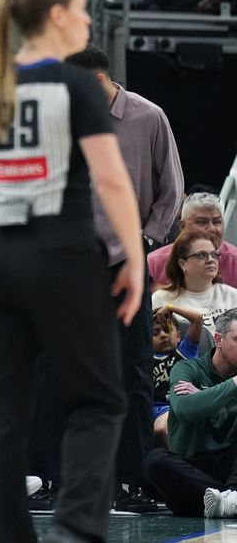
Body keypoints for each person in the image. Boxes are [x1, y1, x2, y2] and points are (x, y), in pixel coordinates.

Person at [0, 0, 144, 543]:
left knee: (4, 414)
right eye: (80, 9)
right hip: (63, 257)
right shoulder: (75, 87)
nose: (87, 21)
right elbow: (114, 182)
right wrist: (137, 261)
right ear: (54, 17)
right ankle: (76, 531)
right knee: (98, 399)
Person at [63, 44, 184, 511]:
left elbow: (171, 190)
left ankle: (136, 481)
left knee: (132, 371)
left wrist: (146, 241)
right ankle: (64, 478)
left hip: (125, 262)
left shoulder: (148, 117)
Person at [145, 309, 237, 517]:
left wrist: (204, 395)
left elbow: (199, 403)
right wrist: (233, 384)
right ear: (219, 340)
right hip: (195, 469)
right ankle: (229, 500)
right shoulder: (186, 369)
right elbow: (186, 410)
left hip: (231, 466)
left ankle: (230, 500)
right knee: (156, 461)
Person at [151, 231, 237, 338]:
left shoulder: (233, 295)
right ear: (183, 264)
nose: (210, 260)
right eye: (202, 255)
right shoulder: (160, 299)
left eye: (214, 254)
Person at [149, 193, 237, 287]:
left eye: (217, 222)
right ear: (183, 226)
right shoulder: (154, 263)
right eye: (202, 222)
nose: (211, 228)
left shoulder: (235, 262)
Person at [152, 305, 202, 447]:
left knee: (163, 428)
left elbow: (197, 319)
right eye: (155, 332)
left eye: (167, 330)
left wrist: (169, 307)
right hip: (156, 407)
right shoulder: (144, 359)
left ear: (179, 336)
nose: (163, 335)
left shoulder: (186, 351)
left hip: (183, 404)